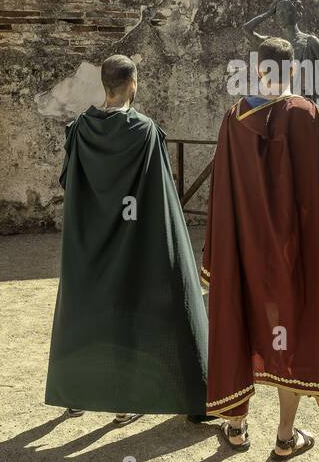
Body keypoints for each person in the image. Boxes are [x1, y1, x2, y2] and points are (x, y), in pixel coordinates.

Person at [201, 36, 319, 459]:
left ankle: (235, 428)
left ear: (258, 70)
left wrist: (223, 252)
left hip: (245, 258)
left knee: (241, 321)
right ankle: (285, 437)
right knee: (290, 332)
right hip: (297, 259)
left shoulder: (232, 121)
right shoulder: (314, 119)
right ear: (293, 71)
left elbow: (221, 199)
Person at [45, 54, 208, 424]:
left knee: (86, 309)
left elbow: (72, 183)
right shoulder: (144, 131)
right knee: (127, 314)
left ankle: (78, 395)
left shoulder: (79, 128)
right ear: (133, 84)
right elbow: (158, 195)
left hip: (89, 239)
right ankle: (124, 403)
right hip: (131, 237)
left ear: (104, 86)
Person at [244, 0, 319, 121]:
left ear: (297, 14)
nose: (281, 15)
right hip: (283, 103)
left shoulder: (310, 42)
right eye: (279, 12)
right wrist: (268, 13)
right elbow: (247, 29)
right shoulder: (275, 44)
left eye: (286, 11)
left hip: (308, 102)